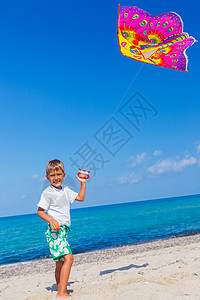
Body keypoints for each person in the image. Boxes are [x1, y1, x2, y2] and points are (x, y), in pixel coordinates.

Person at [37, 159, 86, 299]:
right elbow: (40, 211)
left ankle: (61, 289)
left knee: (60, 263)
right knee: (69, 258)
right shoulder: (47, 192)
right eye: (52, 175)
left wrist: (82, 182)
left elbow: (81, 198)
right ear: (47, 177)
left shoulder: (66, 190)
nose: (56, 178)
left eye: (59, 174)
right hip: (54, 232)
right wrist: (51, 220)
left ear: (64, 175)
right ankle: (61, 293)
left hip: (63, 231)